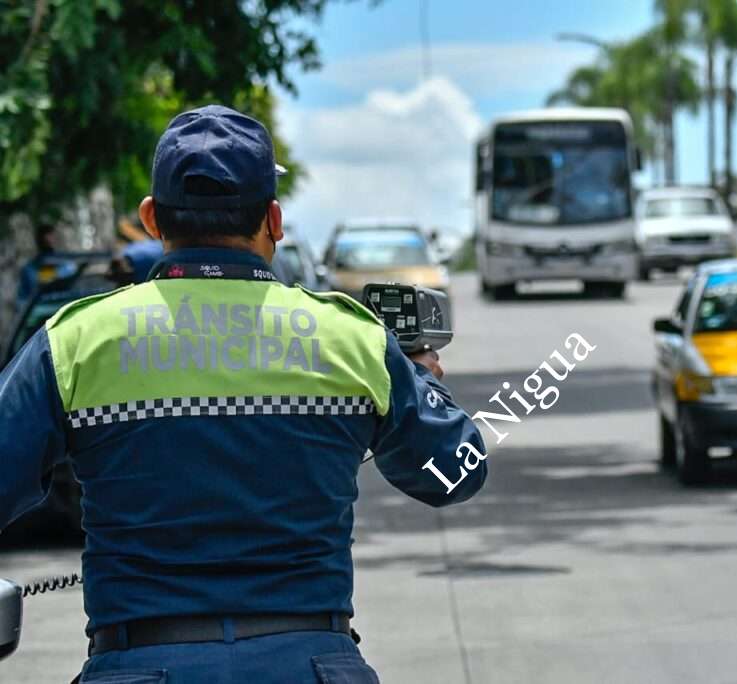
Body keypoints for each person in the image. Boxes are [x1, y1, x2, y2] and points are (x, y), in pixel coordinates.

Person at [0, 104, 488, 683]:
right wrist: (425, 380)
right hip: (309, 666)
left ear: (153, 219)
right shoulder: (352, 339)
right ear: (274, 220)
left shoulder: (76, 342)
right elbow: (457, 472)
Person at [16, 223, 77, 305]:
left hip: (61, 305)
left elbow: (70, 271)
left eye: (51, 236)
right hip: (39, 309)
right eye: (46, 236)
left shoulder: (64, 262)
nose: (49, 239)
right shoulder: (30, 268)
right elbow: (34, 281)